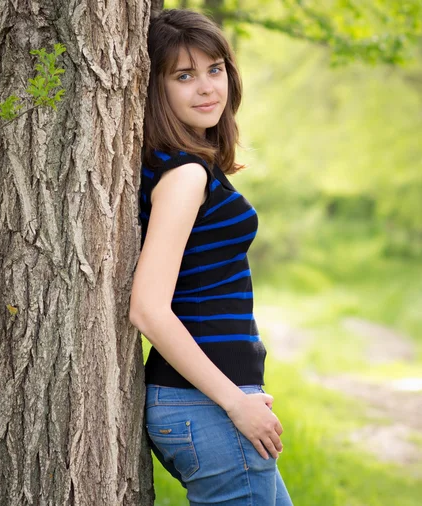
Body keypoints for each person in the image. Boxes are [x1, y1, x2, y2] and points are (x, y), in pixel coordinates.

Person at [129, 8, 293, 506]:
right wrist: (236, 403)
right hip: (207, 406)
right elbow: (148, 309)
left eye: (214, 69)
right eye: (184, 75)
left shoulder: (191, 167)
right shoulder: (185, 177)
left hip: (200, 404)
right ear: (157, 89)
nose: (206, 88)